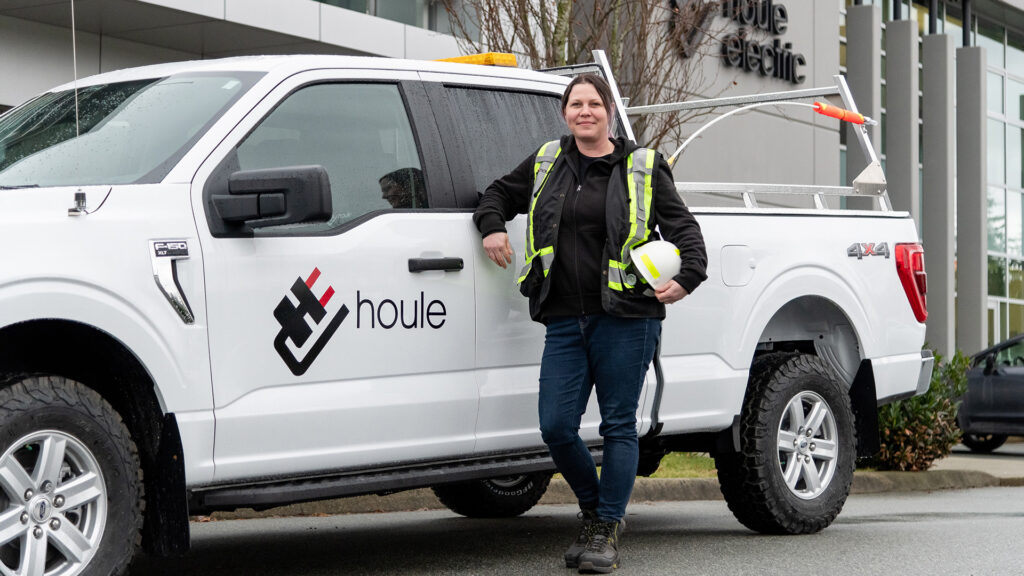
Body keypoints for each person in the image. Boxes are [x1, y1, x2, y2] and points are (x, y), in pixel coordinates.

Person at [473, 74, 707, 573]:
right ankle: (597, 509)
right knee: (556, 425)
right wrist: (492, 226)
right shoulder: (546, 162)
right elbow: (496, 193)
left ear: (609, 112)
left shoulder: (641, 166)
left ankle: (604, 531)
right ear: (565, 113)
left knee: (618, 424)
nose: (585, 112)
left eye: (594, 104)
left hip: (626, 317)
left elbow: (686, 231)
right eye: (576, 104)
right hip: (563, 317)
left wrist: (687, 277)